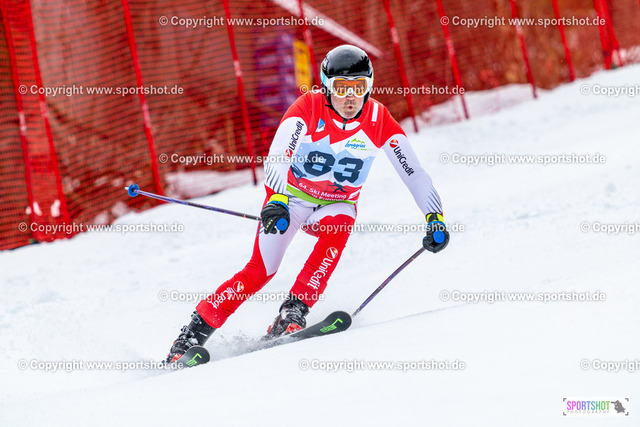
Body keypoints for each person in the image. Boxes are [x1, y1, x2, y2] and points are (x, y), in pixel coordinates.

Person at [165, 44, 449, 363]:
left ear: (369, 87)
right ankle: (189, 337)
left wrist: (434, 217)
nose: (350, 97)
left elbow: (413, 173)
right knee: (260, 271)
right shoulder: (309, 107)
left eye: (359, 87)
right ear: (326, 87)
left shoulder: (378, 118)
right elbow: (279, 154)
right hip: (291, 200)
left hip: (334, 205)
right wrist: (277, 198)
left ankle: (294, 311)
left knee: (342, 221)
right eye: (341, 87)